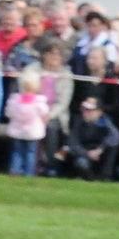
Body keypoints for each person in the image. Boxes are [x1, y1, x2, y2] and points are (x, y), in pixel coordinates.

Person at [57, 97, 119, 181]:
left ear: (99, 112)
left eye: (89, 110)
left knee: (113, 146)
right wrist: (87, 153)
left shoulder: (105, 121)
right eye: (84, 109)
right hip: (84, 155)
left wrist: (100, 149)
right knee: (81, 163)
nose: (85, 112)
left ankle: (105, 176)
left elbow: (115, 136)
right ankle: (88, 177)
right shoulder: (77, 121)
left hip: (100, 155)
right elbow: (73, 143)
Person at [36, 37, 74, 170]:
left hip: (55, 114)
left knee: (51, 126)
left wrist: (49, 115)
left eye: (57, 54)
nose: (54, 57)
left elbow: (63, 102)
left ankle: (51, 165)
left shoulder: (66, 74)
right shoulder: (32, 70)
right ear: (44, 54)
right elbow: (27, 91)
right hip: (33, 111)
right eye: (50, 53)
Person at [4, 71, 49, 176]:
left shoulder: (14, 100)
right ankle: (29, 173)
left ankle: (15, 170)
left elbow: (8, 113)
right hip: (33, 132)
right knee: (31, 152)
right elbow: (45, 114)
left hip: (17, 131)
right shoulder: (39, 102)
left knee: (17, 152)